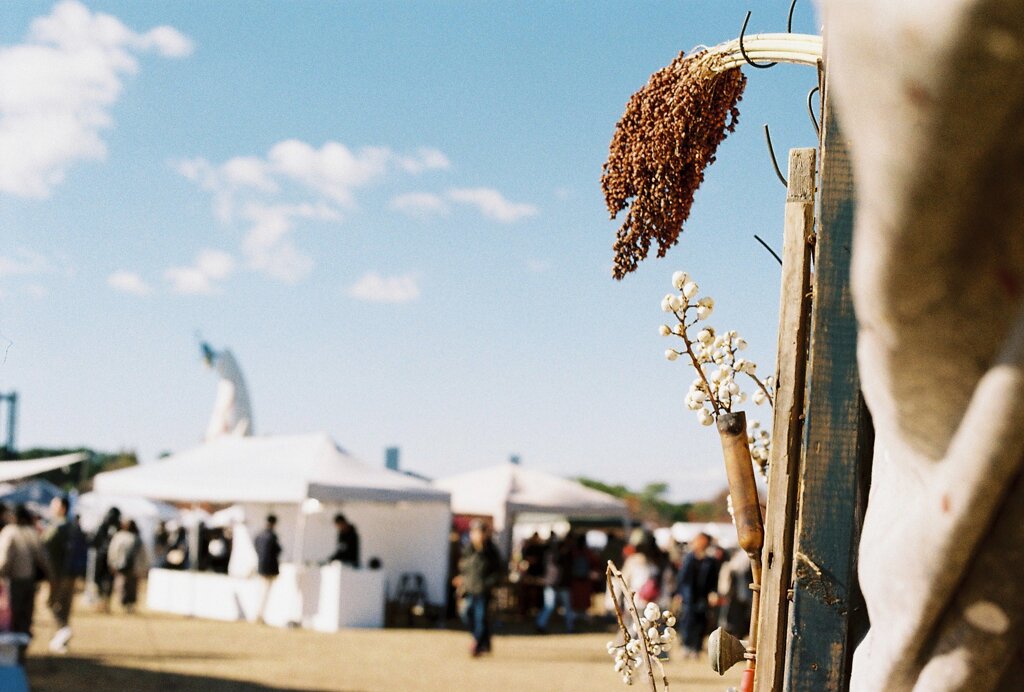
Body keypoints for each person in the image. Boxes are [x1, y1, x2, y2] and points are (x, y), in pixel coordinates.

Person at [0, 504, 50, 664]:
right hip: (30, 581)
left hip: (13, 581)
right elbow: (43, 558)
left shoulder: (9, 532)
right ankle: (22, 651)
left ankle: (13, 654)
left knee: (12, 616)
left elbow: (4, 558)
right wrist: (50, 576)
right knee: (26, 617)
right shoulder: (32, 532)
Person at [453, 519, 501, 657]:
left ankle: (477, 643)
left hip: (483, 591)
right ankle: (483, 641)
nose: (477, 535)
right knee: (466, 614)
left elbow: (498, 572)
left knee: (481, 618)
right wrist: (461, 579)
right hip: (469, 589)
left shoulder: (491, 551)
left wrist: (488, 584)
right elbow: (465, 567)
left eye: (479, 532)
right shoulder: (468, 550)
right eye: (474, 532)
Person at [674, 532, 721, 658]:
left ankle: (696, 647)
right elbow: (681, 578)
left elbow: (714, 580)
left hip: (703, 596)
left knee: (701, 621)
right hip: (688, 596)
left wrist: (713, 593)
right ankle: (686, 646)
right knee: (687, 620)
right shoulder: (689, 559)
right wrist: (678, 594)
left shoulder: (710, 561)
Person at [42, 495, 75, 652]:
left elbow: (44, 546)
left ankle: (62, 631)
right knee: (65, 606)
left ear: (62, 508)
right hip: (71, 573)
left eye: (54, 505)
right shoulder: (72, 526)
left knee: (51, 603)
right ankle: (61, 640)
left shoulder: (57, 527)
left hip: (56, 574)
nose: (51, 507)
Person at [107, 520, 147, 612]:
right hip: (132, 566)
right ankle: (128, 604)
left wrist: (112, 562)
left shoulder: (119, 537)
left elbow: (113, 551)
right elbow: (143, 554)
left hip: (123, 565)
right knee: (130, 585)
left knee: (124, 584)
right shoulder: (136, 538)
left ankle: (126, 603)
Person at [90, 506, 121, 611]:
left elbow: (94, 541)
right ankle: (104, 603)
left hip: (102, 557)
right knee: (107, 580)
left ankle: (101, 602)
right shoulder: (116, 526)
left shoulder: (104, 524)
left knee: (99, 580)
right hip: (110, 557)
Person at [253, 514, 282, 624]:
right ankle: (260, 615)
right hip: (269, 568)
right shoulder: (272, 536)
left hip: (261, 567)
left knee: (261, 591)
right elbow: (278, 550)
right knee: (265, 592)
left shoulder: (259, 535)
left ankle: (259, 614)